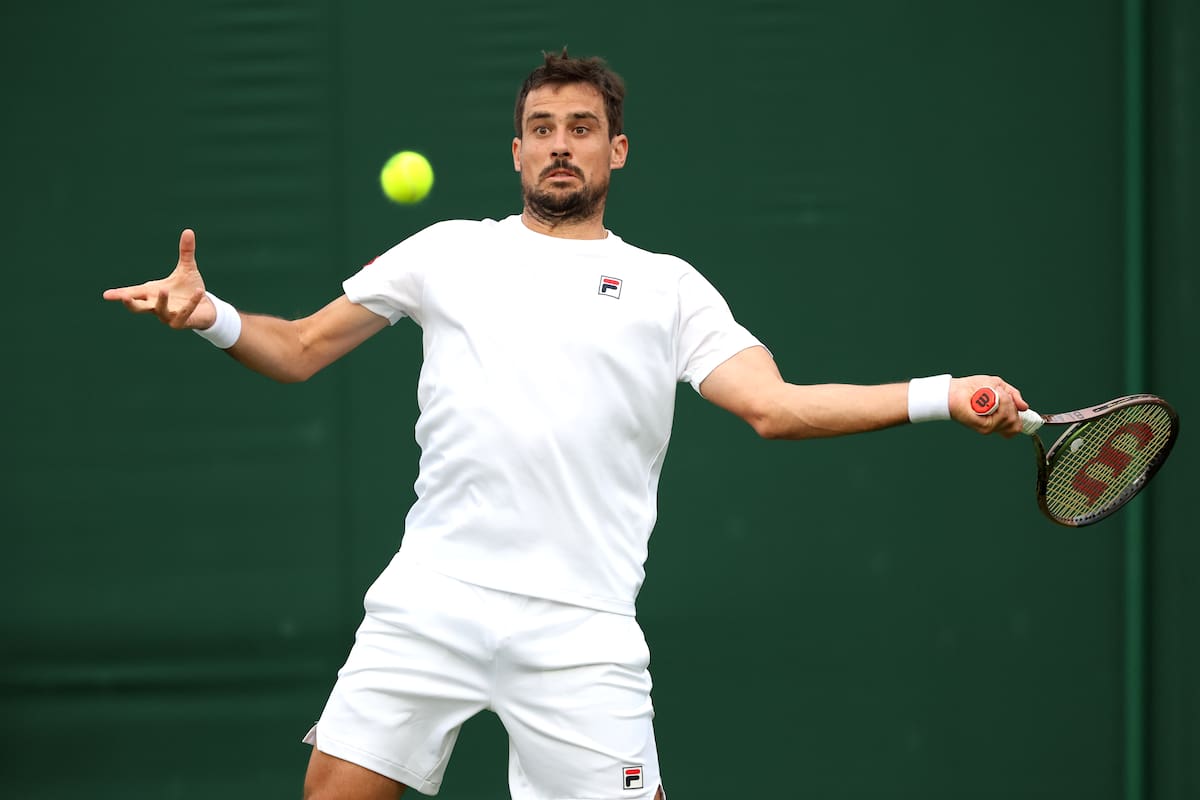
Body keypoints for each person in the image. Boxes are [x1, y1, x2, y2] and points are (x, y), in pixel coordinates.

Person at [103, 49, 1028, 800]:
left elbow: (775, 407)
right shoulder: (448, 253)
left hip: (582, 630)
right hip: (434, 597)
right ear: (514, 151)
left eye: (581, 129)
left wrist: (941, 392)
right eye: (541, 129)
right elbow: (299, 347)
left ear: (615, 150)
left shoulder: (669, 287)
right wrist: (213, 315)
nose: (560, 145)